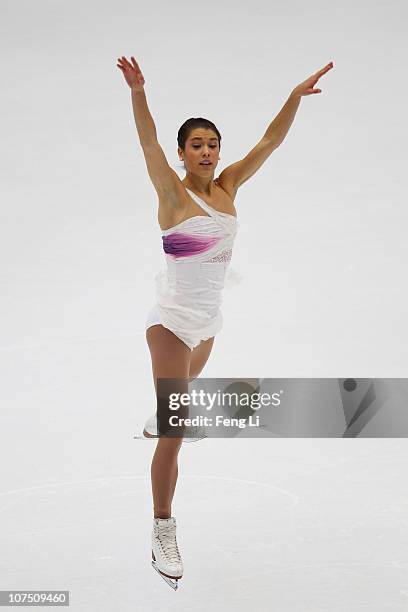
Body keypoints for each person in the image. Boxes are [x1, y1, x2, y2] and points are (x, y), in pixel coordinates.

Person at [117, 55, 333, 589]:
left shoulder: (228, 188)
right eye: (197, 145)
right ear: (182, 152)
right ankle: (162, 528)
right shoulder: (173, 192)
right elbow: (146, 143)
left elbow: (269, 143)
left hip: (207, 326)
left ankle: (161, 412)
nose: (208, 152)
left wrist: (293, 96)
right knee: (176, 426)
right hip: (169, 325)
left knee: (178, 398)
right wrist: (139, 94)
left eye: (213, 144)